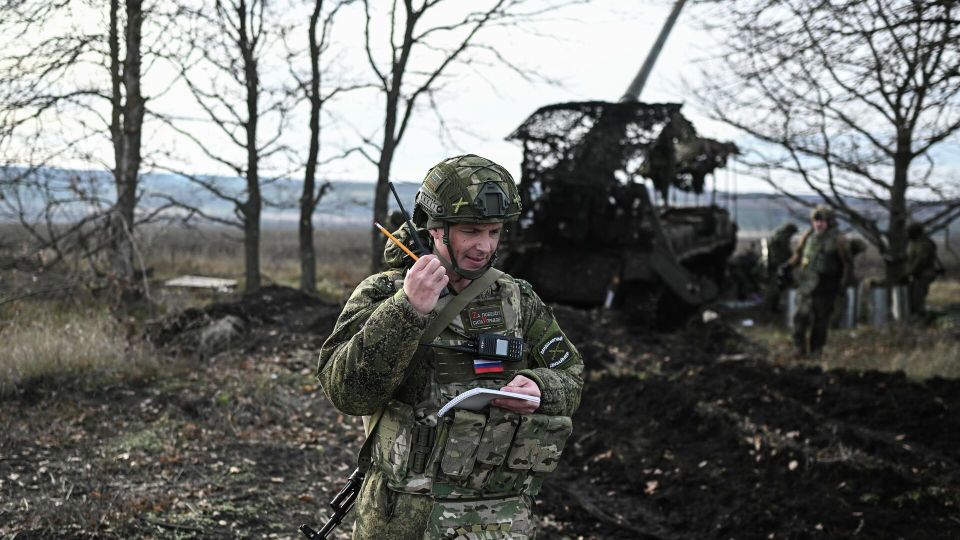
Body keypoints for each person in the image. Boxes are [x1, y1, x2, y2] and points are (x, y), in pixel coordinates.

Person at [317, 154, 584, 539]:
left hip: (496, 517)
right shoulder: (384, 292)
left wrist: (541, 386)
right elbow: (347, 393)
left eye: (494, 232)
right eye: (471, 231)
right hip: (405, 516)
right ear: (436, 229)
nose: (484, 246)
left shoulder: (516, 298)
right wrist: (406, 309)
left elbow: (571, 376)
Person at [783, 205, 851, 357]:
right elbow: (799, 254)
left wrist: (842, 285)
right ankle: (799, 348)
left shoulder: (838, 239)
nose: (819, 224)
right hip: (807, 283)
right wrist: (788, 266)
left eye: (823, 221)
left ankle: (816, 350)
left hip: (826, 285)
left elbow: (847, 264)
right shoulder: (808, 236)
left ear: (830, 222)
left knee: (820, 321)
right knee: (800, 317)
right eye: (816, 221)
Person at [904, 221, 944, 316]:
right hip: (918, 275)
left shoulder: (924, 244)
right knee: (912, 298)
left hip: (923, 275)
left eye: (908, 232)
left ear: (914, 232)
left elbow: (921, 261)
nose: (906, 234)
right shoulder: (916, 243)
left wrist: (909, 273)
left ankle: (921, 320)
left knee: (917, 300)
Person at [763, 222, 798, 312]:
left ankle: (773, 306)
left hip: (776, 265)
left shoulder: (779, 236)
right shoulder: (782, 238)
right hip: (777, 265)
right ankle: (772, 307)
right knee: (776, 287)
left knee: (776, 286)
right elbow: (783, 252)